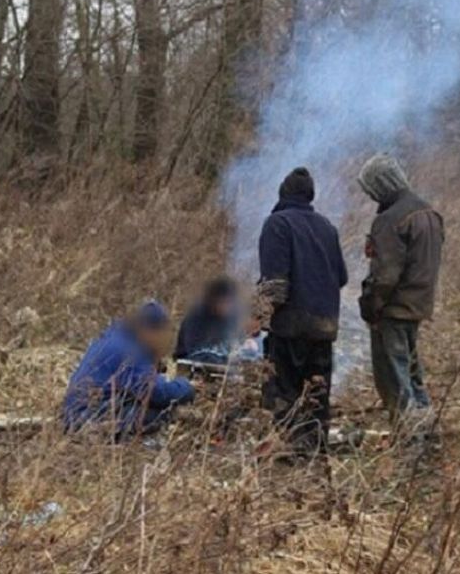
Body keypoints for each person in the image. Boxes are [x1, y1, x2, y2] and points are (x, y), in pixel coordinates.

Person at [258, 167, 348, 455]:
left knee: (286, 387)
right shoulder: (327, 228)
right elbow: (342, 277)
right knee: (317, 391)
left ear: (282, 193)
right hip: (325, 325)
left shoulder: (277, 224)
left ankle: (290, 447)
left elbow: (275, 285)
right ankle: (314, 447)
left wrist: (257, 317)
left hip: (291, 324)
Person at [357, 154, 444, 425]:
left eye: (372, 189)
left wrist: (369, 307)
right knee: (414, 379)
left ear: (382, 184)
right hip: (417, 308)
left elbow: (385, 277)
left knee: (395, 384)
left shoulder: (390, 220)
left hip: (392, 311)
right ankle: (427, 438)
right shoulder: (429, 213)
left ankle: (410, 449)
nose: (372, 197)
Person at [61, 300, 195, 440]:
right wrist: (186, 387)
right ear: (150, 331)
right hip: (88, 418)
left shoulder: (115, 338)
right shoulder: (131, 352)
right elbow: (154, 392)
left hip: (78, 413)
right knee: (157, 414)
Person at [175, 276, 243, 365]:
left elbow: (234, 349)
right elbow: (194, 352)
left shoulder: (230, 321)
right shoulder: (196, 318)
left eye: (229, 302)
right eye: (224, 301)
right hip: (193, 361)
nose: (227, 306)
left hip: (218, 364)